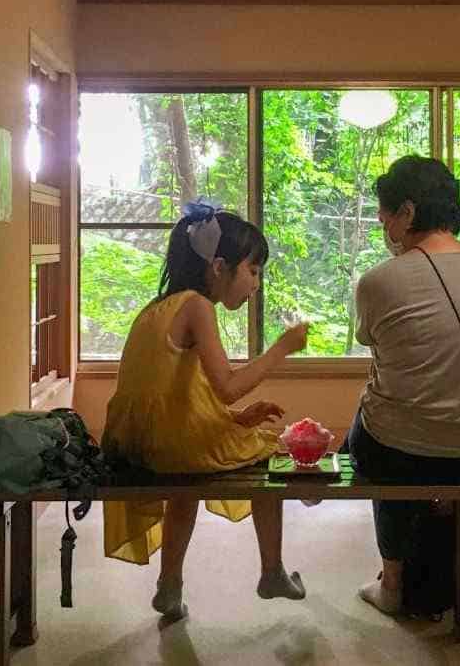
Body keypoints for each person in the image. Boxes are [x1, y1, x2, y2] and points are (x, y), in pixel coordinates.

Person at [102, 201, 309, 620]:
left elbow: (177, 399)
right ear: (219, 267)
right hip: (169, 445)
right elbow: (228, 388)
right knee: (269, 452)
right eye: (253, 271)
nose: (256, 283)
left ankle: (170, 585)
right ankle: (271, 571)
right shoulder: (197, 306)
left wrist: (234, 419)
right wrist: (282, 349)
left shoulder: (157, 308)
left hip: (133, 441)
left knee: (189, 480)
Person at [347, 156, 460, 616]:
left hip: (400, 454)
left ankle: (395, 583)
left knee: (368, 432)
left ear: (407, 212)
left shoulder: (379, 281)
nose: (382, 224)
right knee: (404, 421)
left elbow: (377, 350)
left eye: (385, 214)